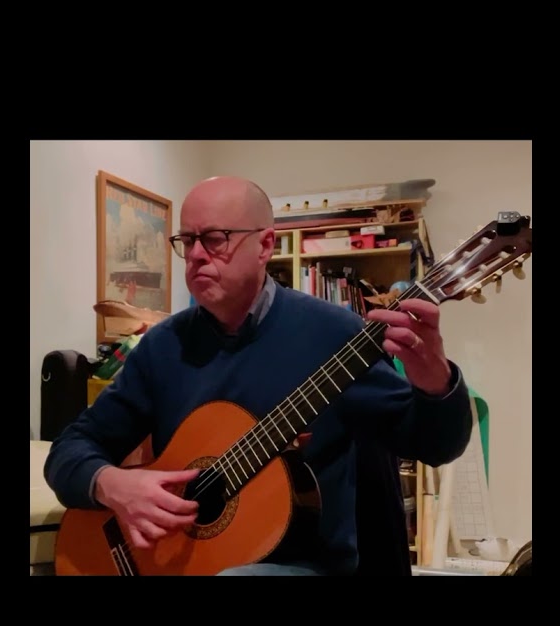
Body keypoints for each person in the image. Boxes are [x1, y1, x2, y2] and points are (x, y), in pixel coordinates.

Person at [44, 176, 472, 576]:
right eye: (187, 240)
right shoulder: (162, 347)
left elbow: (436, 445)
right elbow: (68, 451)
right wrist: (111, 484)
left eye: (214, 239)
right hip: (188, 560)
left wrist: (434, 379)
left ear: (265, 245)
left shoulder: (334, 335)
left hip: (308, 564)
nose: (195, 255)